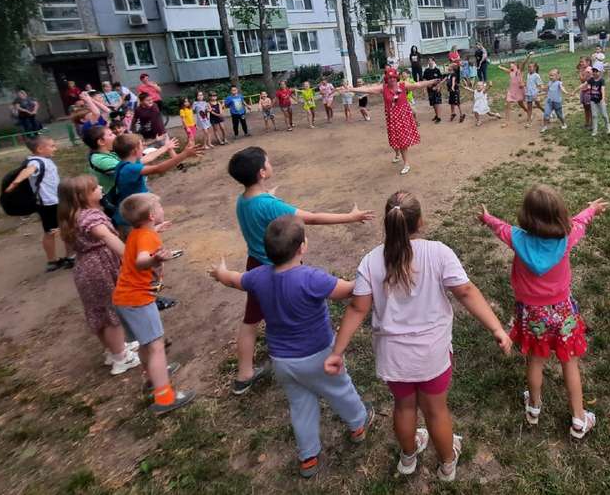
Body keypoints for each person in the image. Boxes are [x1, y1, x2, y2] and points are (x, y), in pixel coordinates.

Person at [324, 192, 512, 482]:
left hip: (393, 358)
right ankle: (447, 464)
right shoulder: (439, 253)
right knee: (436, 411)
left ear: (387, 224)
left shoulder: (371, 261)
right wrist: (497, 329)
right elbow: (466, 292)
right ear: (421, 221)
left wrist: (337, 352)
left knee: (404, 407)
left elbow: (357, 307)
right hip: (432, 355)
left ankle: (408, 457)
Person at [208, 215, 373, 478]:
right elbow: (350, 290)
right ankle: (358, 424)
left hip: (282, 361)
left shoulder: (258, 277)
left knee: (300, 405)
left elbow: (233, 279)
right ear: (302, 248)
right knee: (340, 389)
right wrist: (371, 272)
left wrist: (219, 273)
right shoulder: (312, 278)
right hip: (319, 355)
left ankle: (308, 456)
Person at [225, 147, 372, 396]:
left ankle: (244, 374)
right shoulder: (268, 206)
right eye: (267, 162)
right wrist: (351, 216)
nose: (271, 164)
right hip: (278, 269)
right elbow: (311, 218)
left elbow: (260, 210)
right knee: (296, 310)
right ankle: (300, 356)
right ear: (262, 172)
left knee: (250, 321)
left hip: (255, 266)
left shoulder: (244, 200)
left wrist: (268, 197)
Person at [478, 186, 607, 439]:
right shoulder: (568, 236)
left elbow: (499, 227)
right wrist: (592, 208)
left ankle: (534, 407)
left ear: (526, 216)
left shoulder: (517, 237)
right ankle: (579, 419)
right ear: (560, 215)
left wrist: (486, 217)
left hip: (531, 314)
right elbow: (580, 221)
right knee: (569, 361)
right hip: (563, 312)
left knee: (535, 360)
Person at [113, 193, 195, 415]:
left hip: (123, 298)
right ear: (151, 215)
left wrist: (156, 231)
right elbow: (141, 261)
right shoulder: (147, 238)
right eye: (159, 206)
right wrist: (156, 259)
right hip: (138, 299)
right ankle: (165, 398)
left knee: (145, 344)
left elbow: (141, 244)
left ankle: (152, 378)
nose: (161, 208)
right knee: (157, 346)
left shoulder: (138, 233)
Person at [57, 175, 140, 376]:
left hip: (85, 268)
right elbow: (106, 236)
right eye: (95, 188)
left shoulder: (71, 216)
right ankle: (122, 358)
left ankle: (114, 350)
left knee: (100, 313)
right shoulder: (90, 218)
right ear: (82, 196)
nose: (101, 188)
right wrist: (130, 258)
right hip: (100, 269)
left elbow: (71, 247)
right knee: (112, 314)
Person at [347, 68, 442, 175]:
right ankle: (398, 155)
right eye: (389, 78)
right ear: (386, 79)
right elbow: (368, 89)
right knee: (395, 142)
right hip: (392, 118)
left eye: (393, 77)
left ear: (396, 77)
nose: (391, 79)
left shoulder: (403, 85)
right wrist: (352, 89)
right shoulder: (383, 88)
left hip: (403, 117)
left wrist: (432, 81)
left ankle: (406, 163)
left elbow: (418, 85)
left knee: (402, 142)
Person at [3, 135, 71, 272]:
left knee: (51, 231)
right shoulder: (36, 162)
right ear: (40, 149)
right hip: (50, 203)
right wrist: (15, 183)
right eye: (52, 146)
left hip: (50, 202)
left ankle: (54, 260)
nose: (55, 148)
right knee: (64, 229)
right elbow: (28, 171)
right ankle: (69, 257)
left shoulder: (42, 160)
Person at [110, 133, 198, 230]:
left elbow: (149, 157)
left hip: (132, 211)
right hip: (132, 215)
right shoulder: (130, 169)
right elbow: (158, 169)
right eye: (141, 145)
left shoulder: (124, 164)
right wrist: (184, 154)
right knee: (140, 240)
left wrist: (166, 147)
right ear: (135, 150)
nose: (143, 147)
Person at [498, 54, 532, 127]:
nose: (511, 65)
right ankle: (506, 122)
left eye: (512, 64)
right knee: (507, 104)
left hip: (519, 90)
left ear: (516, 65)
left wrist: (528, 56)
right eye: (510, 64)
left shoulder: (519, 71)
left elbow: (524, 63)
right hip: (511, 91)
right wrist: (500, 67)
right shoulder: (510, 71)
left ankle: (528, 113)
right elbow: (505, 69)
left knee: (521, 104)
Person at [583, 63, 610, 137]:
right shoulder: (591, 80)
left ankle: (608, 127)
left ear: (600, 72)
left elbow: (603, 90)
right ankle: (595, 130)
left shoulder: (601, 80)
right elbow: (583, 85)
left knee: (604, 115)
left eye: (597, 71)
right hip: (593, 100)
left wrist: (603, 98)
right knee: (594, 115)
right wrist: (574, 91)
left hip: (600, 100)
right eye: (593, 71)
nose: (595, 73)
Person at [541, 68, 567, 133]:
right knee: (546, 114)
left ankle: (564, 124)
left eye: (552, 75)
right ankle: (545, 126)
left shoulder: (559, 83)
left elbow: (562, 88)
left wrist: (566, 92)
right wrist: (541, 89)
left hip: (557, 102)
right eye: (550, 75)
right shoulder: (549, 83)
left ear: (557, 76)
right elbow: (545, 89)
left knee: (559, 115)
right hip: (549, 101)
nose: (550, 77)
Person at [422, 57, 444, 124]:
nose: (430, 62)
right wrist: (426, 86)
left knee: (437, 103)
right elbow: (424, 80)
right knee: (433, 103)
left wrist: (438, 87)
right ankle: (436, 115)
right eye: (428, 61)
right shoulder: (426, 71)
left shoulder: (437, 70)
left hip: (436, 89)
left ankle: (439, 117)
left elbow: (440, 80)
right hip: (430, 89)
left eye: (431, 60)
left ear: (433, 61)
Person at [524, 62, 542, 127]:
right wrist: (524, 85)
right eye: (528, 67)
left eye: (531, 67)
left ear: (535, 68)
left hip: (534, 94)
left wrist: (537, 93)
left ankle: (546, 112)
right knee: (529, 108)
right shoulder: (528, 74)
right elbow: (528, 83)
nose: (529, 68)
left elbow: (540, 85)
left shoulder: (536, 75)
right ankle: (529, 122)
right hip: (528, 94)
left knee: (538, 106)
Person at [577, 57, 593, 130]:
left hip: (588, 91)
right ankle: (587, 124)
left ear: (588, 62)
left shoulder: (588, 70)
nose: (581, 63)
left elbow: (583, 80)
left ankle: (592, 124)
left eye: (582, 62)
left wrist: (580, 71)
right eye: (580, 62)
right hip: (584, 90)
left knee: (589, 108)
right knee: (586, 108)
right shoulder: (585, 69)